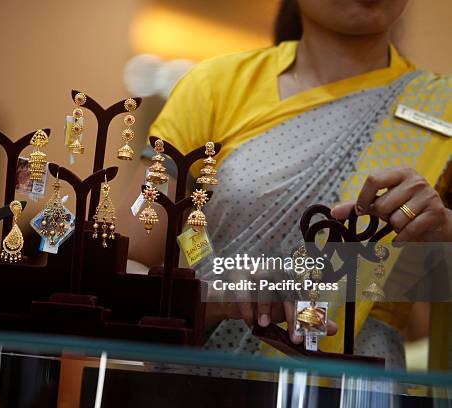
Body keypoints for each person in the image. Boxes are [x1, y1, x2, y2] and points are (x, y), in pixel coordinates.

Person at [125, 0, 452, 367]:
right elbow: (129, 263)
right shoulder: (215, 87)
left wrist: (444, 235)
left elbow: (423, 316)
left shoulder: (443, 109)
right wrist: (222, 293)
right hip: (203, 379)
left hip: (357, 385)